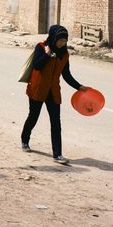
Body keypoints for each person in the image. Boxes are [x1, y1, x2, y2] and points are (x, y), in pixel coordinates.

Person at [20, 24, 86, 165]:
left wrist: (79, 87)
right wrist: (47, 55)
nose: (62, 43)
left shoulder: (64, 54)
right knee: (33, 116)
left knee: (56, 122)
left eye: (64, 41)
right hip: (38, 89)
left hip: (53, 91)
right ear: (53, 38)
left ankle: (58, 154)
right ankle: (25, 140)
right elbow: (37, 65)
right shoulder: (41, 47)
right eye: (60, 40)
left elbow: (66, 74)